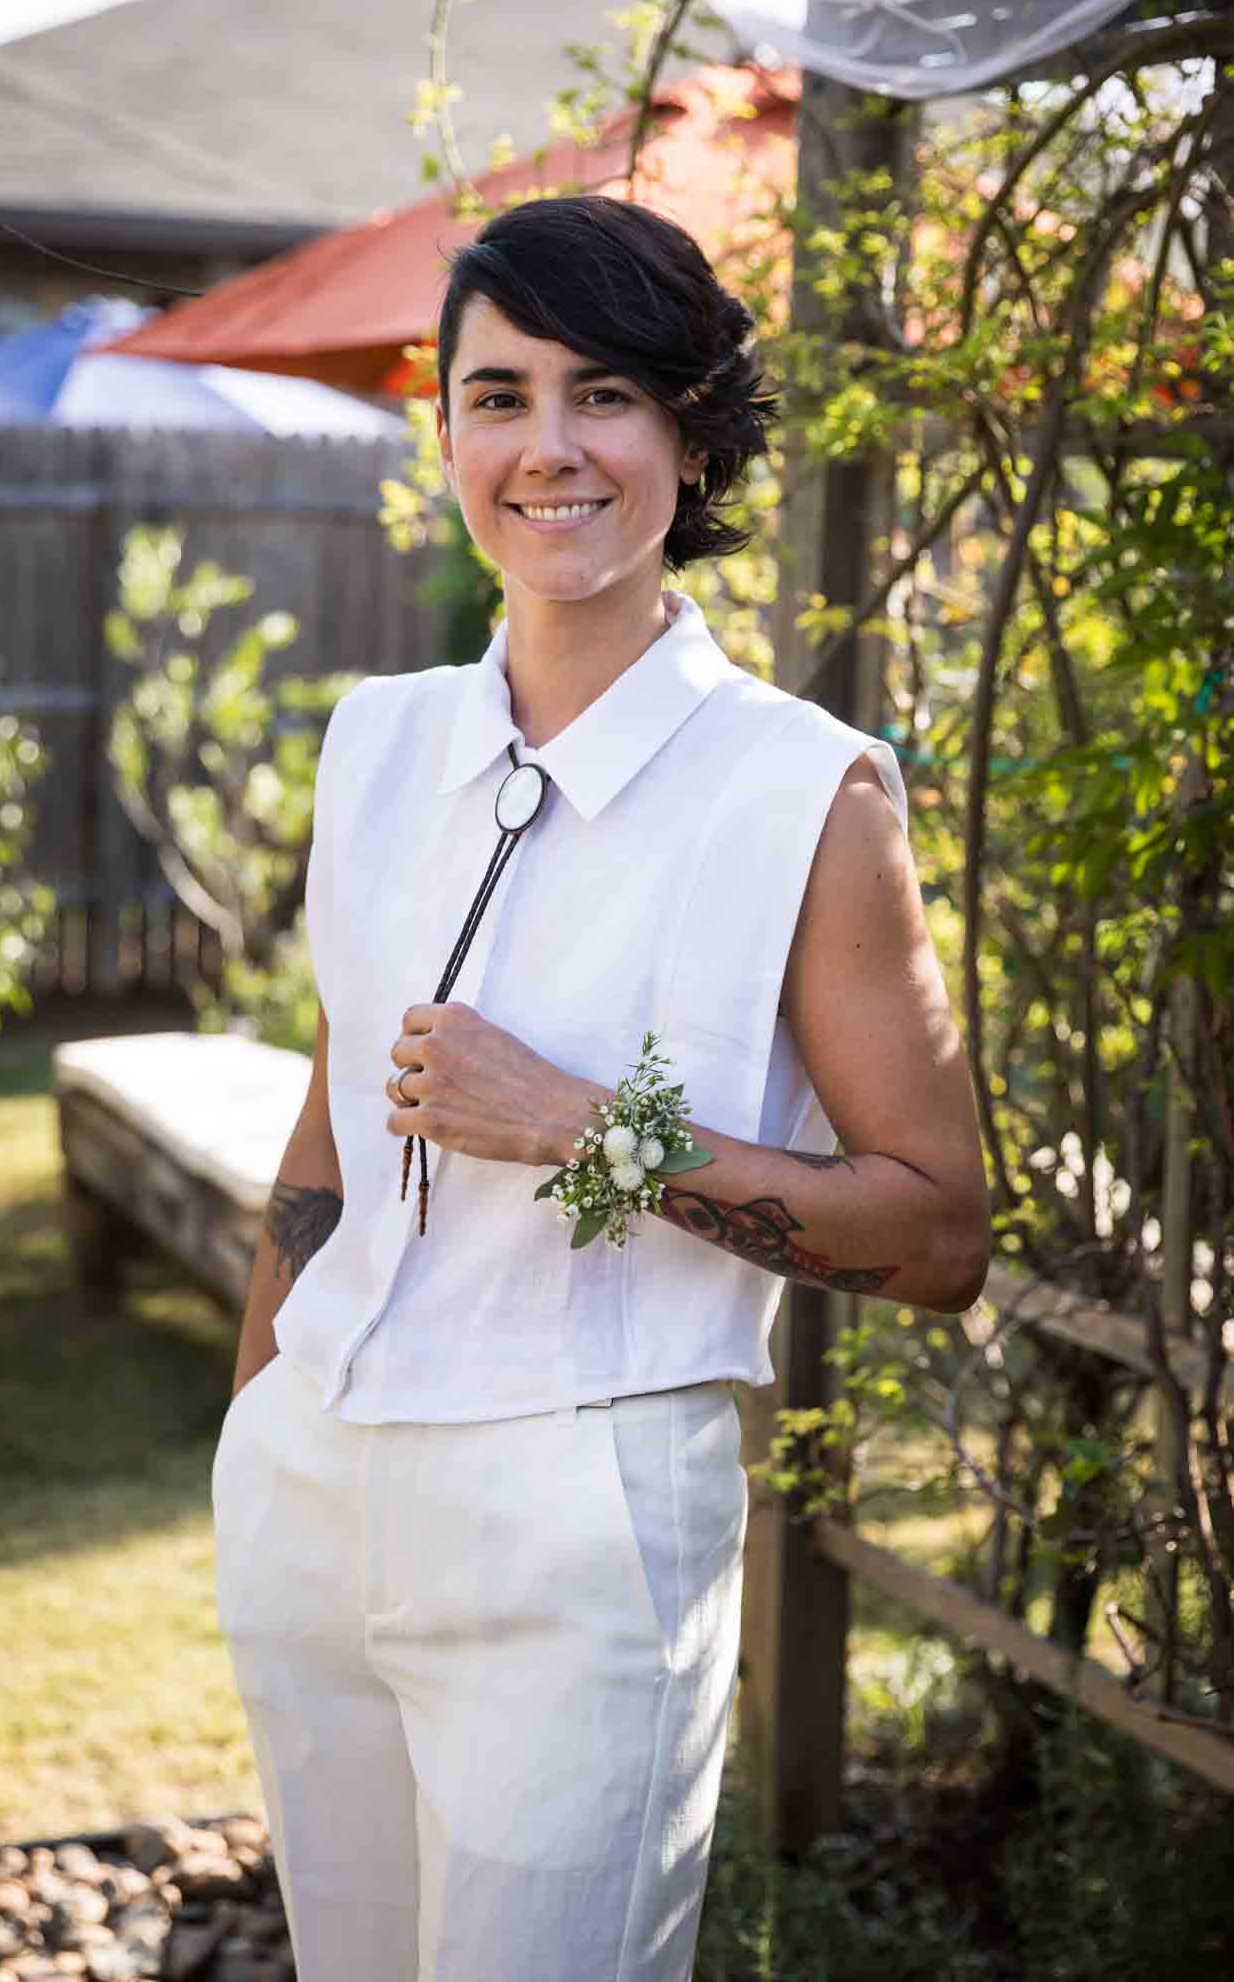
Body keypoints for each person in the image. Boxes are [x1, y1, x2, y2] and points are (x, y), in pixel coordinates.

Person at [210, 194, 991, 1982]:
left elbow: (939, 1234)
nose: (547, 447)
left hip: (582, 1518)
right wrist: (258, 1420)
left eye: (605, 394)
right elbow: (334, 1112)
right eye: (498, 396)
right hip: (311, 1481)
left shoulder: (806, 794)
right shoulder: (377, 740)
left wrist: (588, 1131)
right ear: (447, 435)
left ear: (691, 432)